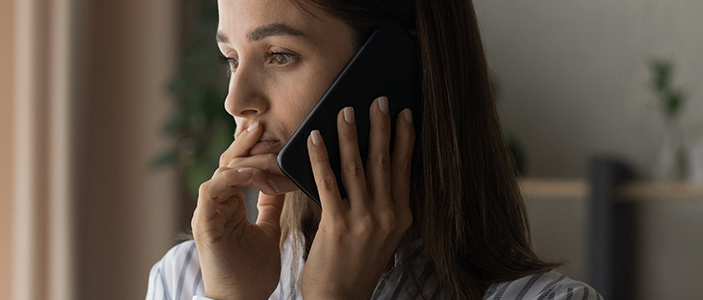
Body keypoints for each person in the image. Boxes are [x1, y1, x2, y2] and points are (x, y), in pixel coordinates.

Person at [147, 0, 602, 299]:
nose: (235, 100)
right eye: (231, 59)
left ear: (396, 68)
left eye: (279, 55)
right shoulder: (187, 279)